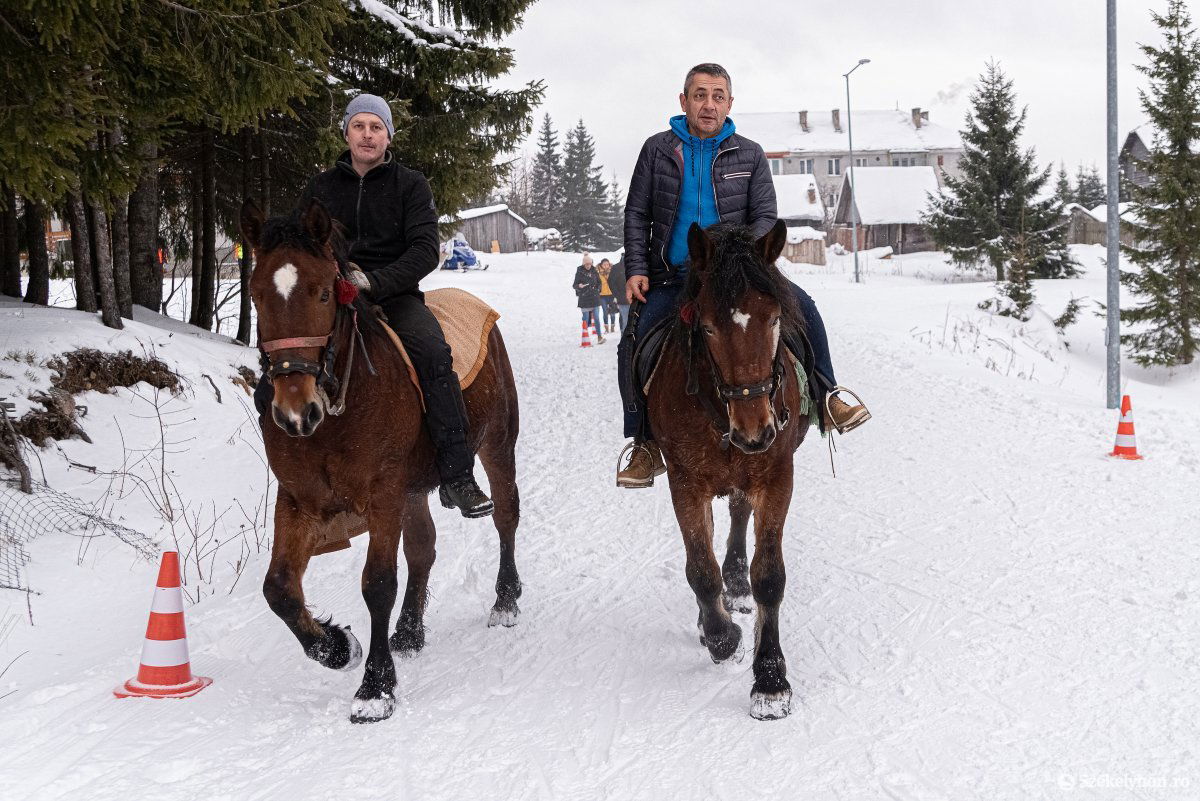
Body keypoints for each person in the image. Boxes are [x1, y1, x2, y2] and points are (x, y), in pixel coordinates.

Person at [616, 63, 871, 488]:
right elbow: (637, 213)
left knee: (804, 308)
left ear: (729, 104)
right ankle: (642, 443)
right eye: (700, 95)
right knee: (635, 340)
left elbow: (765, 216)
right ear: (684, 102)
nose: (708, 104)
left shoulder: (749, 153)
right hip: (671, 275)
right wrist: (637, 269)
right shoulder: (656, 150)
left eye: (718, 96)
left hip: (738, 274)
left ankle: (829, 395)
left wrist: (737, 259)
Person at [255, 93, 493, 517]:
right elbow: (296, 244)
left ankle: (457, 475)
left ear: (388, 135)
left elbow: (423, 250)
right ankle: (299, 474)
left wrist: (375, 280)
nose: (368, 135)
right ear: (346, 132)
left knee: (434, 355)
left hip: (393, 296)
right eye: (360, 126)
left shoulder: (411, 185)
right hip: (331, 299)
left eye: (376, 127)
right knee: (276, 370)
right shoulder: (321, 187)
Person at [572, 253, 606, 344]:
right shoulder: (579, 272)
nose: (588, 265)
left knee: (597, 318)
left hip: (595, 298)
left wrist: (598, 289)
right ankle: (585, 337)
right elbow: (574, 285)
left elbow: (599, 282)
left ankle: (599, 337)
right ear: (583, 264)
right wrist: (579, 286)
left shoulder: (594, 271)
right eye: (586, 264)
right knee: (586, 318)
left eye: (589, 264)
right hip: (584, 298)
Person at [597, 258, 619, 334]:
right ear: (601, 265)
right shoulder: (598, 273)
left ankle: (612, 326)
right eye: (604, 264)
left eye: (607, 264)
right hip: (602, 295)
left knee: (612, 311)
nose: (606, 266)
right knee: (605, 312)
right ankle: (606, 328)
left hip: (612, 295)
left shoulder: (613, 272)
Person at [608, 257, 630, 333]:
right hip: (623, 299)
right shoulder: (616, 268)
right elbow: (611, 282)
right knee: (626, 320)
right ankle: (625, 339)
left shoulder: (635, 266)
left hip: (635, 299)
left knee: (634, 320)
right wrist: (617, 295)